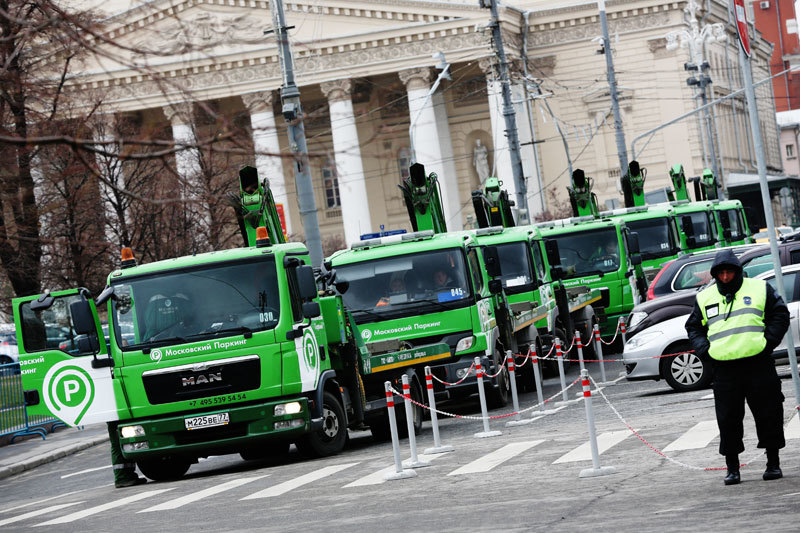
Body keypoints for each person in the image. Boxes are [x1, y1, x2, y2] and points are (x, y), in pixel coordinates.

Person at [685, 249, 790, 485]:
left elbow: (780, 314)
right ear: (715, 275)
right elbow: (693, 327)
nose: (725, 277)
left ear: (738, 271)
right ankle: (732, 468)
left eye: (729, 272)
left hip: (758, 363)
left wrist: (768, 343)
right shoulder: (704, 297)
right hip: (724, 369)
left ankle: (773, 463)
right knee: (728, 420)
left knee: (769, 414)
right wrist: (705, 350)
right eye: (720, 273)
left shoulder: (759, 288)